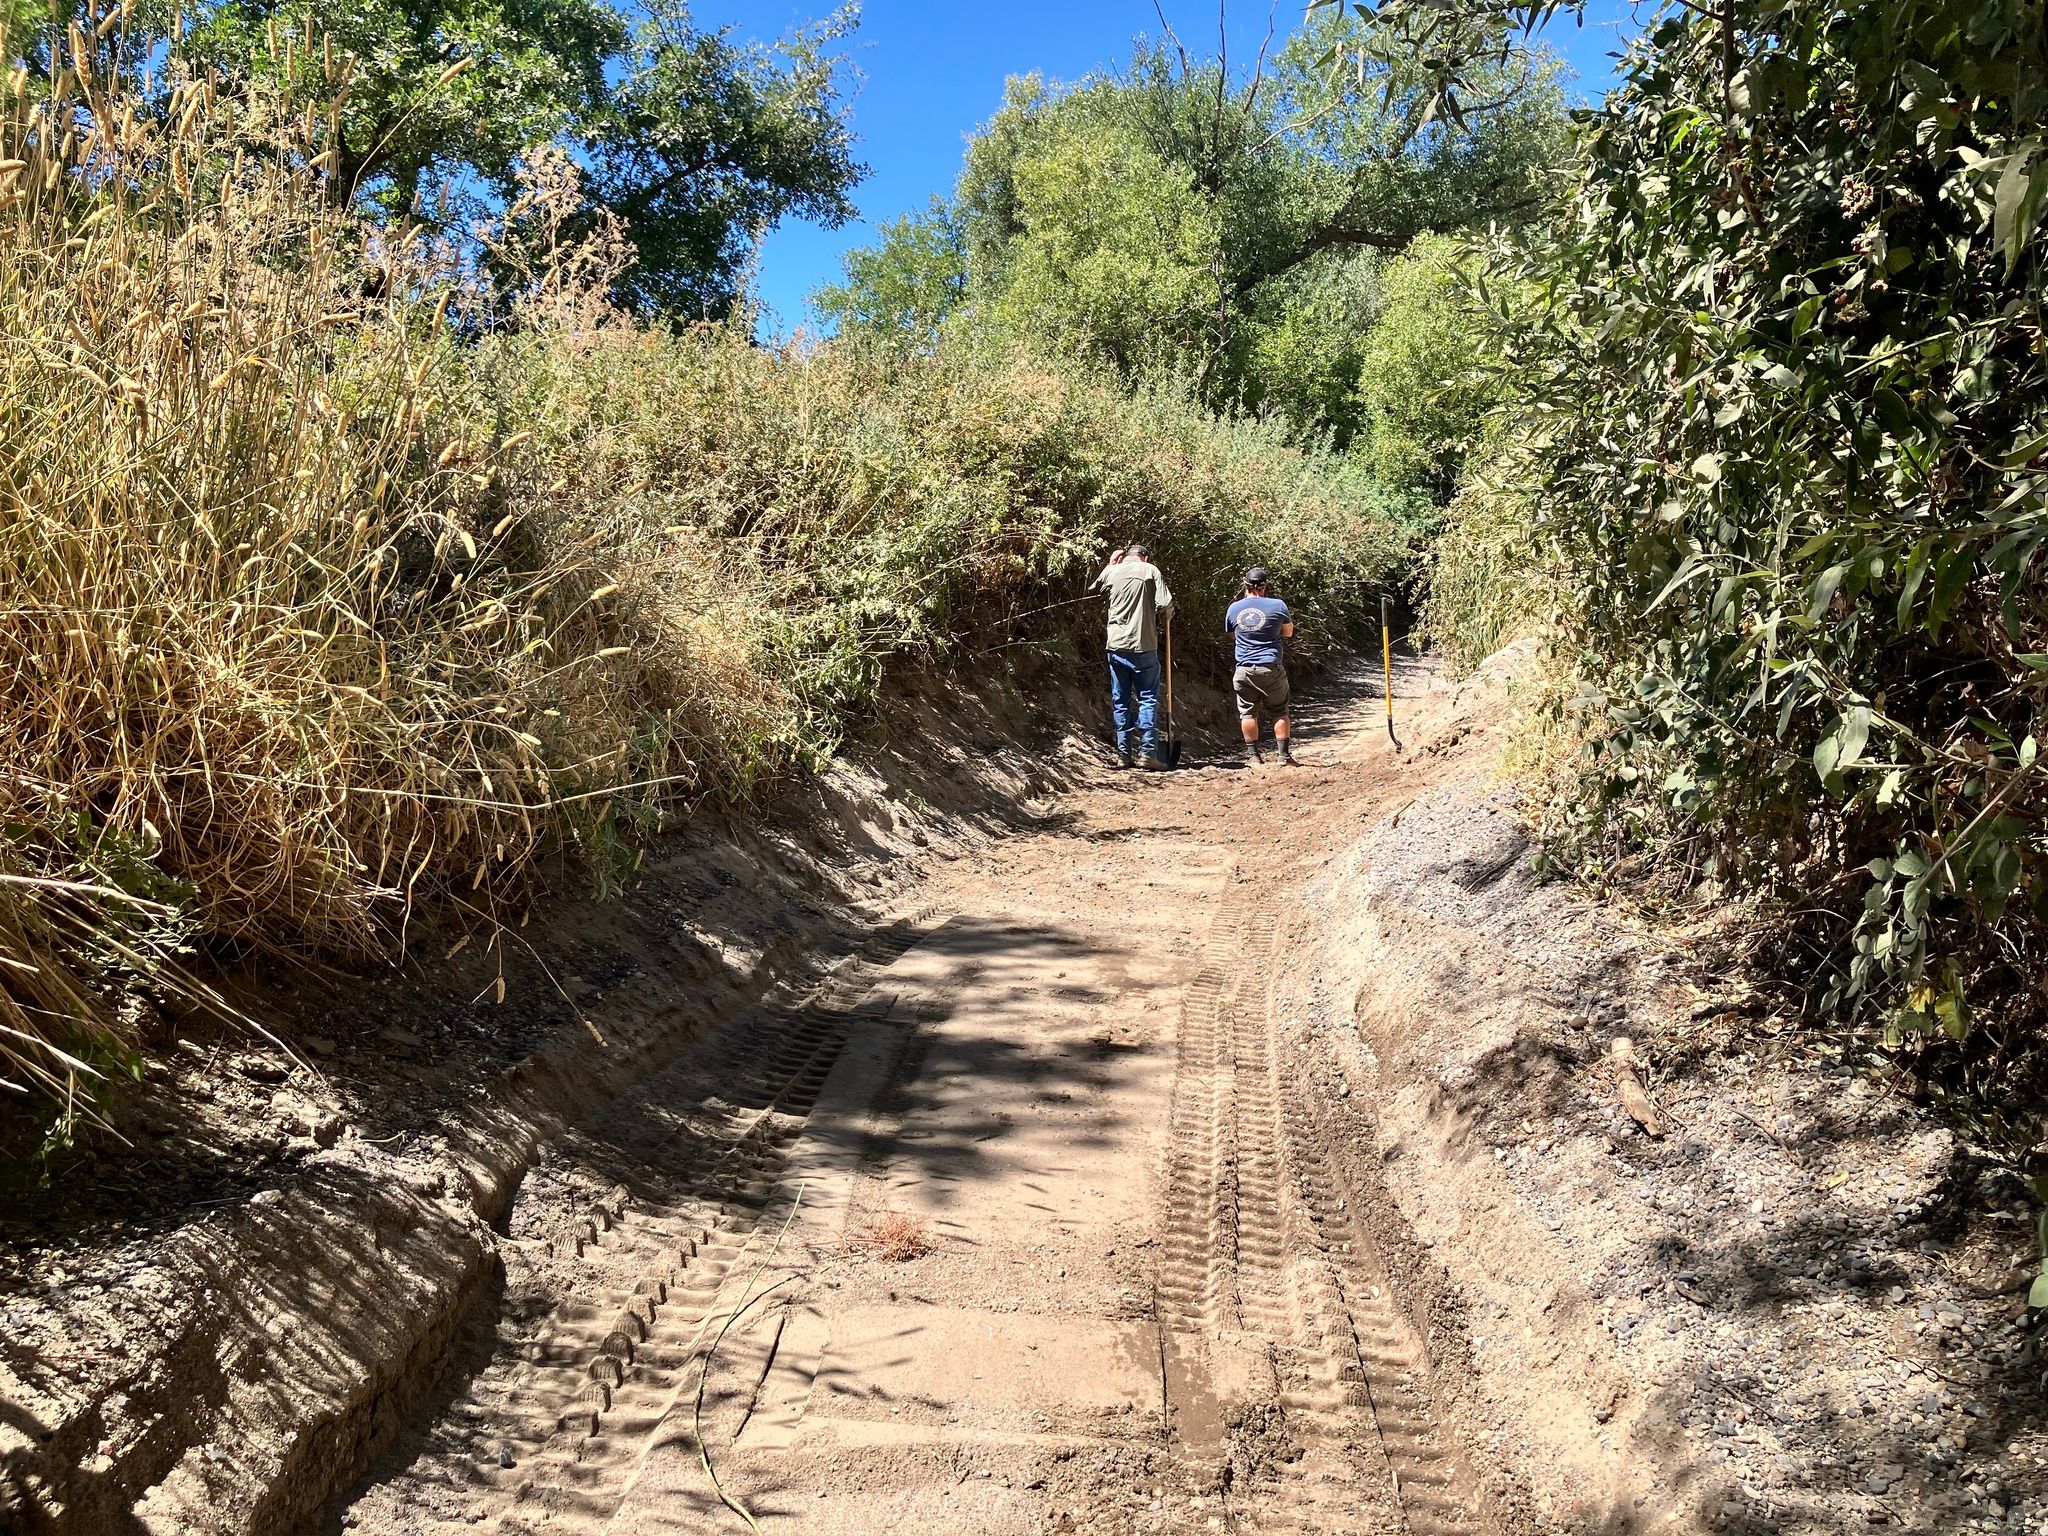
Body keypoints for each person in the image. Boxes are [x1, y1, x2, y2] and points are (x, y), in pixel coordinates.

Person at [1092, 543, 1174, 769]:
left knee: (1121, 701)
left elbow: (1096, 590)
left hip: (1116, 646)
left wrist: (1109, 565)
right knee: (1147, 698)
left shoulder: (1113, 570)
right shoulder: (1150, 570)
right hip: (1143, 645)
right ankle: (1147, 754)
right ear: (1145, 557)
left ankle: (1123, 755)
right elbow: (1165, 603)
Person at [1225, 566, 1294, 766]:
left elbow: (1233, 634)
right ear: (1265, 586)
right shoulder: (1278, 605)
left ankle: (1253, 756)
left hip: (1244, 669)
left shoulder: (1233, 608)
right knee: (1279, 710)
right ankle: (1283, 756)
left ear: (1245, 585)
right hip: (1270, 667)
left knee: (1247, 712)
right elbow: (1288, 632)